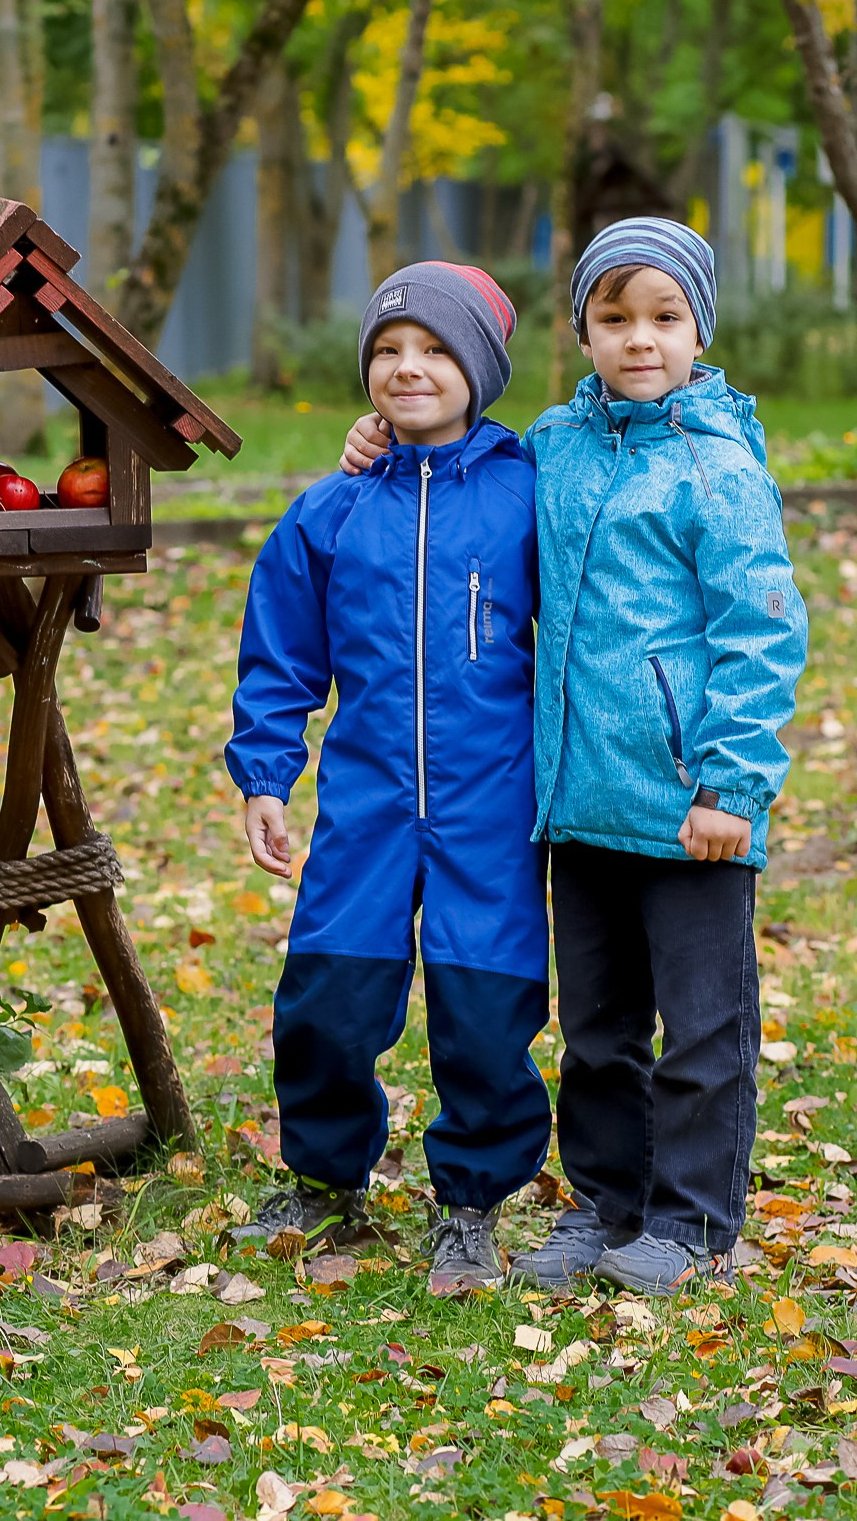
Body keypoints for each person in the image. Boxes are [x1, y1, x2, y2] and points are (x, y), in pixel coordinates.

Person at [339, 218, 808, 1295]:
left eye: (663, 317)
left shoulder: (718, 466)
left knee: (701, 1030)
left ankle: (691, 1223)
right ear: (582, 330)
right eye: (614, 318)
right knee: (598, 1032)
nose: (639, 339)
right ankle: (607, 1205)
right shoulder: (552, 445)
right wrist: (373, 441)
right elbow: (453, 472)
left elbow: (764, 627)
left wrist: (732, 782)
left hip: (694, 807)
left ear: (700, 328)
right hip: (579, 802)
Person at [226, 263, 550, 1295]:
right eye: (388, 352)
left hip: (491, 803)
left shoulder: (529, 493)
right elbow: (282, 653)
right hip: (365, 805)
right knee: (326, 998)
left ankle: (472, 1206)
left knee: (486, 1007)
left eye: (435, 350)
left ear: (482, 370)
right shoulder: (329, 510)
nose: (409, 368)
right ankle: (327, 1183)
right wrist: (266, 773)